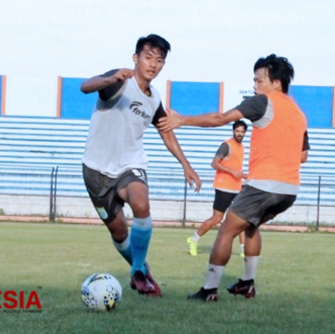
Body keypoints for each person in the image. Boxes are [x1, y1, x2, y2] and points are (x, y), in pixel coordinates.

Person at [158, 54, 310, 302]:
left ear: (275, 82)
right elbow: (302, 156)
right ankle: (247, 284)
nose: (255, 85)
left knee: (226, 230)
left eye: (258, 79)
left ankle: (209, 290)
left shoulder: (262, 102)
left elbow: (221, 119)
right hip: (290, 189)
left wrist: (182, 120)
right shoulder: (299, 114)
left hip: (263, 185)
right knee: (251, 227)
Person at [81, 34, 202, 297]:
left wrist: (186, 164)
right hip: (95, 170)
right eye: (148, 57)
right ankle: (143, 271)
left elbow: (166, 131)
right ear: (136, 58)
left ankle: (137, 272)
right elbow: (85, 86)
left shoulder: (154, 98)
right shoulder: (120, 81)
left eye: (159, 60)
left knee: (141, 203)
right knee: (120, 232)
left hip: (130, 164)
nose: (153, 64)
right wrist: (109, 79)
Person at [186, 120, 250, 258]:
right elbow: (214, 163)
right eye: (237, 131)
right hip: (223, 187)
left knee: (241, 219)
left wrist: (242, 175)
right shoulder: (226, 145)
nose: (239, 134)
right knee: (216, 219)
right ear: (233, 131)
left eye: (242, 131)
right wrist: (232, 172)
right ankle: (193, 239)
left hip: (236, 187)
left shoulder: (242, 147)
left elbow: (235, 167)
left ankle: (244, 251)